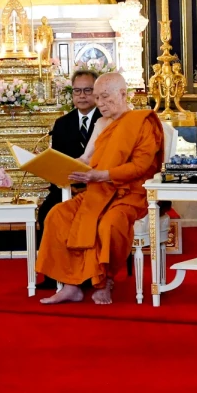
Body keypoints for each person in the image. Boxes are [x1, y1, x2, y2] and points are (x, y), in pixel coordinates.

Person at [37, 73, 164, 305]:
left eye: (105, 97)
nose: (100, 103)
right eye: (97, 97)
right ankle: (71, 285)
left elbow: (140, 167)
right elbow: (86, 158)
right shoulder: (101, 123)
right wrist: (56, 165)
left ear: (123, 94)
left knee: (109, 224)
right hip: (98, 192)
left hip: (129, 195)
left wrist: (102, 175)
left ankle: (105, 281)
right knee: (57, 215)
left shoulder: (142, 122)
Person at [39, 70, 102, 266]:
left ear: (97, 92)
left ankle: (90, 271)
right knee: (47, 212)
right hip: (66, 187)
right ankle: (53, 272)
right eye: (77, 91)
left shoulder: (107, 120)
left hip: (99, 186)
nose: (82, 96)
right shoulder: (62, 124)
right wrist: (67, 185)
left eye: (87, 90)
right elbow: (57, 161)